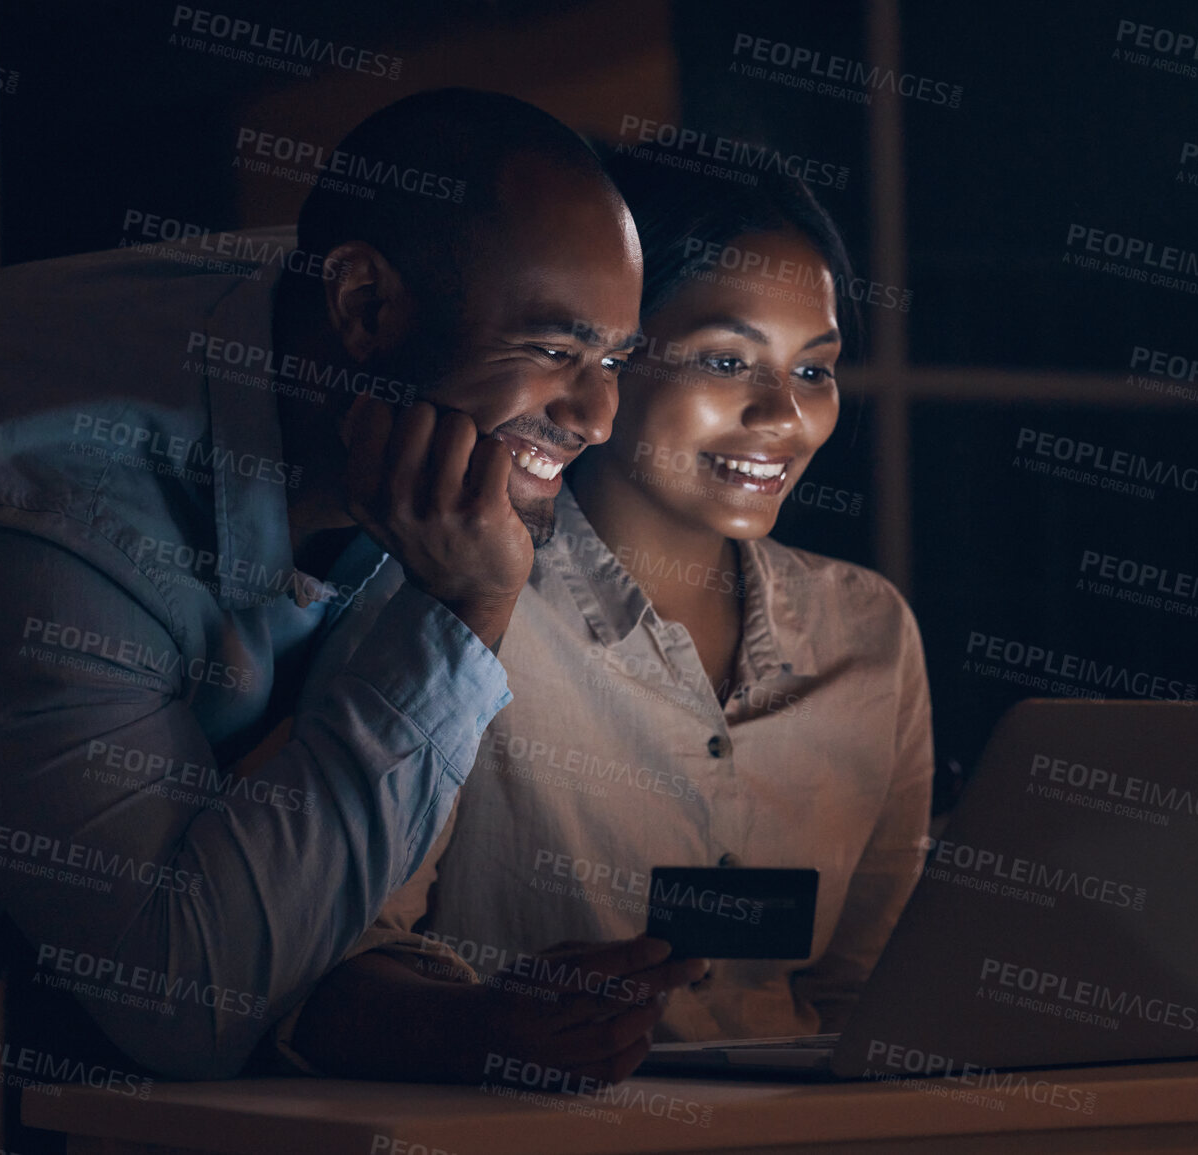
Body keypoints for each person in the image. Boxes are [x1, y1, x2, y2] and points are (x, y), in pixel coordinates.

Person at [0, 89, 700, 1152]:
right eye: (556, 348)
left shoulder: (397, 336)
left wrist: (454, 1015)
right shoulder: (48, 502)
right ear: (363, 307)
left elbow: (272, 912)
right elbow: (181, 999)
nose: (598, 417)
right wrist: (464, 606)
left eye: (616, 359)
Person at [293, 147, 933, 1076]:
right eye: (727, 359)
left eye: (815, 371)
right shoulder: (452, 593)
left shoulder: (868, 632)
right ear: (610, 354)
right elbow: (329, 966)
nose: (783, 418)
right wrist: (482, 1027)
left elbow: (866, 995)